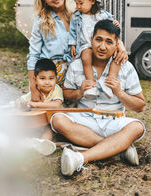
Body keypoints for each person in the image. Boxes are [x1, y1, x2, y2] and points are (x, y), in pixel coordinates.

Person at [50, 19, 146, 176]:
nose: (102, 46)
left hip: (113, 121)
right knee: (57, 119)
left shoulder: (126, 67)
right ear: (91, 40)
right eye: (99, 39)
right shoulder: (77, 65)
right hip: (84, 121)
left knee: (137, 127)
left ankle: (80, 158)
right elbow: (67, 93)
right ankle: (117, 149)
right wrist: (79, 92)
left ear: (116, 45)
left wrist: (119, 92)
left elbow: (140, 106)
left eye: (109, 42)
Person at [69, 0, 128, 99]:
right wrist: (72, 44)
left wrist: (114, 23)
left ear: (92, 0)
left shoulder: (102, 15)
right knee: (86, 57)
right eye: (76, 3)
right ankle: (91, 85)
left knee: (116, 57)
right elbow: (72, 32)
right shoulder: (76, 16)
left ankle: (109, 83)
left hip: (103, 43)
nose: (77, 6)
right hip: (86, 44)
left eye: (80, 3)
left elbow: (112, 27)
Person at [27, 0, 73, 102]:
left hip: (74, 75)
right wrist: (33, 87)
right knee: (49, 114)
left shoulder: (77, 15)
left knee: (73, 114)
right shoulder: (41, 22)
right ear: (44, 0)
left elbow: (101, 30)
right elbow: (33, 55)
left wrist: (119, 44)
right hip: (49, 76)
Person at [20, 58, 63, 140]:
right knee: (24, 125)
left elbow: (57, 104)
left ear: (56, 79)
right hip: (39, 122)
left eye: (51, 78)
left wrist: (36, 104)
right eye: (42, 78)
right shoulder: (36, 92)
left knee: (48, 130)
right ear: (35, 80)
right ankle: (27, 141)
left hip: (53, 121)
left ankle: (43, 144)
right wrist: (22, 103)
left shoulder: (56, 89)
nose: (47, 82)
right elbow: (22, 100)